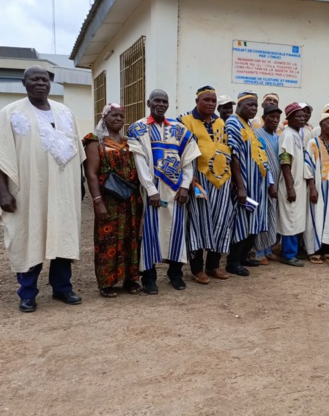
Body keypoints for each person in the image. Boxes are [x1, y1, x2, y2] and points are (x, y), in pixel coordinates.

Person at [0, 65, 85, 312]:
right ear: (24, 83)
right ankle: (27, 293)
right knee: (29, 235)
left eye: (44, 79)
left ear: (50, 83)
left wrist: (78, 185)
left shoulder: (65, 112)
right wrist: (3, 192)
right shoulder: (10, 113)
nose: (40, 83)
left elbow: (76, 153)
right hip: (28, 191)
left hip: (63, 190)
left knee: (62, 235)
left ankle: (62, 288)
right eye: (34, 79)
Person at [127, 89, 201, 293]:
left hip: (177, 190)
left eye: (164, 101)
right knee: (151, 233)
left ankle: (175, 273)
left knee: (176, 231)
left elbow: (188, 161)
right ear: (148, 102)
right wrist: (150, 189)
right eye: (157, 100)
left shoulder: (179, 129)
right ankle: (149, 278)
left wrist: (185, 186)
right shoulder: (138, 128)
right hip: (153, 189)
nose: (161, 104)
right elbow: (139, 162)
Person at [83, 103, 143, 297]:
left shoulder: (129, 141)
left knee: (131, 238)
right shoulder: (95, 141)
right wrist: (97, 200)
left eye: (121, 116)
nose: (118, 119)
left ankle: (130, 279)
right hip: (108, 200)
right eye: (114, 115)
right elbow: (91, 173)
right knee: (107, 239)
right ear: (105, 118)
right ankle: (106, 282)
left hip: (131, 200)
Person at [178, 86, 233, 284]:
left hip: (222, 182)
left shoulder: (220, 123)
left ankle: (213, 266)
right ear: (197, 101)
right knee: (198, 225)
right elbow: (181, 153)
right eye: (207, 100)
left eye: (213, 100)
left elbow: (228, 151)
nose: (211, 103)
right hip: (199, 181)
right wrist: (189, 179)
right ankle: (196, 269)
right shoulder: (184, 121)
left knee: (221, 224)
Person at [226, 91, 277, 276]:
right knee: (241, 222)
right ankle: (232, 262)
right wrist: (240, 186)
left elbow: (262, 156)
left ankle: (243, 256)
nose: (254, 108)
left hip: (258, 186)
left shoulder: (249, 126)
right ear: (239, 106)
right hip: (245, 186)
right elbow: (234, 156)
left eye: (256, 105)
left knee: (252, 223)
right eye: (250, 105)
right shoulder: (233, 124)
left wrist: (270, 183)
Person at [304, 112, 329, 262]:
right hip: (318, 186)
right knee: (315, 217)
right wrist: (312, 188)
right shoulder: (313, 143)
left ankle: (326, 249)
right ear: (321, 125)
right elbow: (308, 167)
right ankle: (313, 250)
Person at [277, 103, 309, 267]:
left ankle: (293, 251)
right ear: (289, 119)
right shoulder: (288, 135)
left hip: (298, 183)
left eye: (304, 116)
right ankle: (287, 254)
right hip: (290, 185)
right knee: (290, 218)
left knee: (296, 218)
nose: (302, 118)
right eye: (298, 116)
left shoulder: (297, 133)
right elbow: (285, 162)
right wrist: (290, 187)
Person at [254, 104, 282, 265]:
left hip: (277, 182)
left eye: (277, 117)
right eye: (271, 117)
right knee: (262, 214)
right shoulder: (258, 134)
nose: (274, 120)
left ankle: (268, 248)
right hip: (264, 181)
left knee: (272, 215)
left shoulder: (278, 136)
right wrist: (270, 183)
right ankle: (259, 251)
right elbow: (262, 160)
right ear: (264, 118)